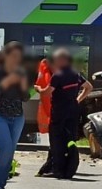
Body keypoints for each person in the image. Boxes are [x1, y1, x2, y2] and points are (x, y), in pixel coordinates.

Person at [0, 42, 29, 189]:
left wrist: (23, 84)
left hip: (17, 116)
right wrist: (9, 80)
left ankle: (1, 186)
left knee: (10, 151)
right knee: (5, 147)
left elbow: (25, 97)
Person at [46, 48, 92, 179]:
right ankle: (68, 166)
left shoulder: (58, 75)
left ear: (62, 60)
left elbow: (48, 92)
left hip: (59, 111)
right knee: (70, 138)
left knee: (57, 139)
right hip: (73, 110)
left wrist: (39, 89)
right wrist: (78, 99)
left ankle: (58, 169)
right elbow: (89, 87)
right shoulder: (76, 74)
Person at [35, 56, 54, 176]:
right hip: (56, 111)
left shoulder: (50, 74)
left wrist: (38, 89)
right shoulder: (51, 73)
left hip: (54, 111)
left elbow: (45, 91)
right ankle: (52, 164)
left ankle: (51, 165)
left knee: (55, 139)